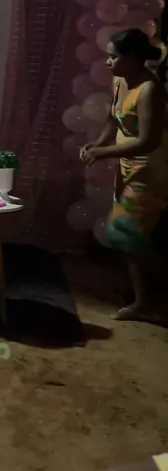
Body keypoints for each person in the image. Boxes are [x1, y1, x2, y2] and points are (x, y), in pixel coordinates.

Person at [80, 28, 168, 321]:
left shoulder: (150, 90)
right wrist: (97, 143)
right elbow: (113, 119)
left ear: (132, 57)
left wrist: (103, 153)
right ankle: (144, 300)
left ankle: (153, 295)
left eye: (113, 57)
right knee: (131, 237)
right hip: (128, 166)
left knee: (123, 230)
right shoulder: (120, 81)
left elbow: (148, 141)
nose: (108, 62)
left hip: (150, 171)